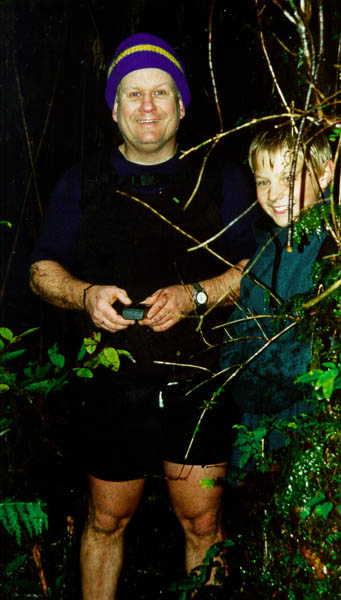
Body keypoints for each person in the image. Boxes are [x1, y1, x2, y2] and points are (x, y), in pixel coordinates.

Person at [29, 33, 258, 599]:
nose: (148, 106)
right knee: (106, 521)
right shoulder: (81, 182)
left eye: (161, 92)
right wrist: (84, 295)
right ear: (114, 109)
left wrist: (196, 295)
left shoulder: (222, 176)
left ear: (182, 105)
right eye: (133, 95)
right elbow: (39, 270)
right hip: (111, 383)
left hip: (200, 380)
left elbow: (258, 265)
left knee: (202, 523)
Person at [220, 122, 334, 467]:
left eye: (289, 177)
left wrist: (252, 382)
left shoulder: (331, 249)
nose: (273, 194)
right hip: (257, 428)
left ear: (325, 173)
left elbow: (312, 355)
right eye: (263, 181)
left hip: (307, 431)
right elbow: (233, 333)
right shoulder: (266, 248)